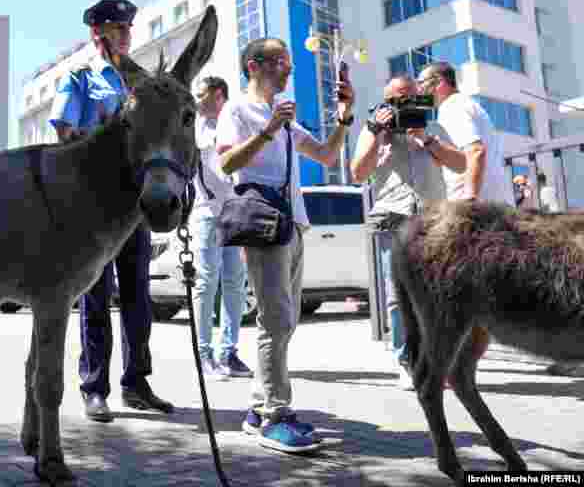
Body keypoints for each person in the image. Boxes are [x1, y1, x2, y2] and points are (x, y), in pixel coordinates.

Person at [215, 37, 355, 453]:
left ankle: (258, 410)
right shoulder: (238, 109)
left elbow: (329, 157)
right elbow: (225, 164)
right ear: (254, 65)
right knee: (275, 321)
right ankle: (276, 416)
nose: (289, 69)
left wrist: (345, 118)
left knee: (286, 321)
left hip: (293, 225)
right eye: (281, 61)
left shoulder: (287, 120)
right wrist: (268, 130)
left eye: (289, 62)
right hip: (263, 224)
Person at [50, 0, 174, 423]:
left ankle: (137, 383)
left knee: (139, 297)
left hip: (135, 208)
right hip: (95, 209)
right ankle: (94, 387)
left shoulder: (139, 82)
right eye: (117, 29)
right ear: (97, 34)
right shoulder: (81, 77)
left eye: (128, 29)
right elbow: (65, 133)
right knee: (96, 298)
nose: (125, 35)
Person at [350, 76, 449, 390]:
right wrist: (377, 135)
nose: (401, 105)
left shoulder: (433, 128)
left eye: (407, 97)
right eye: (394, 100)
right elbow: (357, 173)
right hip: (393, 220)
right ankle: (405, 361)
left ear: (419, 97)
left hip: (432, 221)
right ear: (385, 104)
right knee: (398, 296)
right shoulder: (373, 131)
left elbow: (460, 163)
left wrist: (427, 140)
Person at [416, 61, 512, 381]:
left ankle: (447, 367)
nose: (419, 90)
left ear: (439, 82)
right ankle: (460, 367)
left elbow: (476, 151)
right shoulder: (473, 108)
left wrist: (469, 198)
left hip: (472, 212)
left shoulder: (453, 109)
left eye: (422, 83)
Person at [190, 75, 251, 380]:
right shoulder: (193, 126)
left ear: (218, 95)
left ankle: (228, 352)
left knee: (235, 284)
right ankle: (203, 356)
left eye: (201, 94)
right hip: (206, 213)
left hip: (235, 212)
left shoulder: (235, 121)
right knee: (206, 282)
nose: (196, 99)